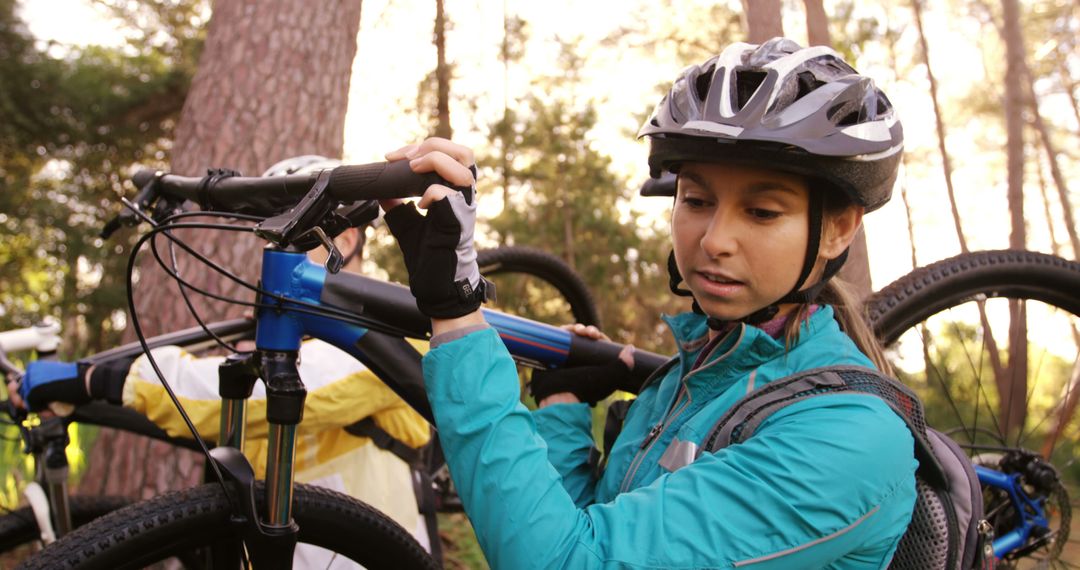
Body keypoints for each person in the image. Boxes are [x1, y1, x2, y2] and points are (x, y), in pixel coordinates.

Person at [378, 38, 916, 568]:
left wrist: (457, 312)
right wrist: (564, 405)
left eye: (762, 212)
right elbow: (585, 527)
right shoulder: (689, 381)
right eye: (697, 201)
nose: (713, 241)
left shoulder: (849, 435)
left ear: (838, 229)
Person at [11, 158, 436, 562]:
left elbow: (253, 395)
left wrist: (97, 381)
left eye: (296, 231)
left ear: (344, 239)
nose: (274, 247)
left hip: (367, 557)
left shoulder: (387, 330)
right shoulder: (291, 338)